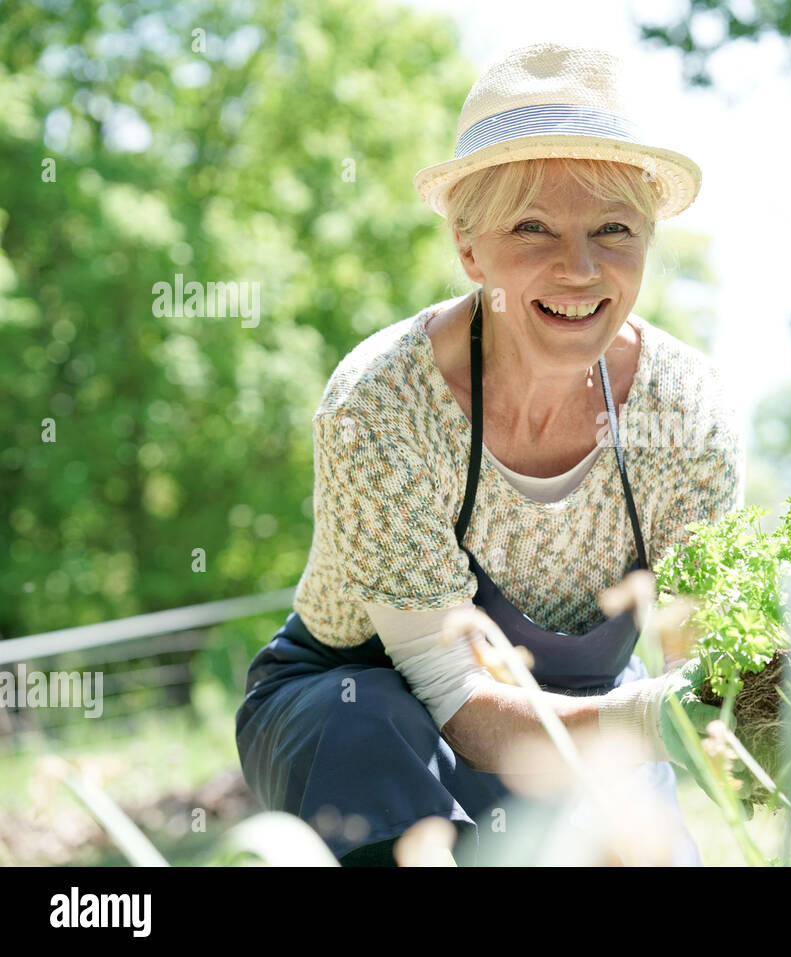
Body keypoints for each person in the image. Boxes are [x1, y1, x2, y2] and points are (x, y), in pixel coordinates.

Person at [235, 41, 745, 866]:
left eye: (613, 227)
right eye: (532, 226)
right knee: (367, 728)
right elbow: (454, 696)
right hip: (368, 714)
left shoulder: (687, 411)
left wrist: (754, 692)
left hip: (588, 717)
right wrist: (654, 722)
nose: (577, 268)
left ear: (647, 241)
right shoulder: (383, 402)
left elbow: (694, 653)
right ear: (471, 252)